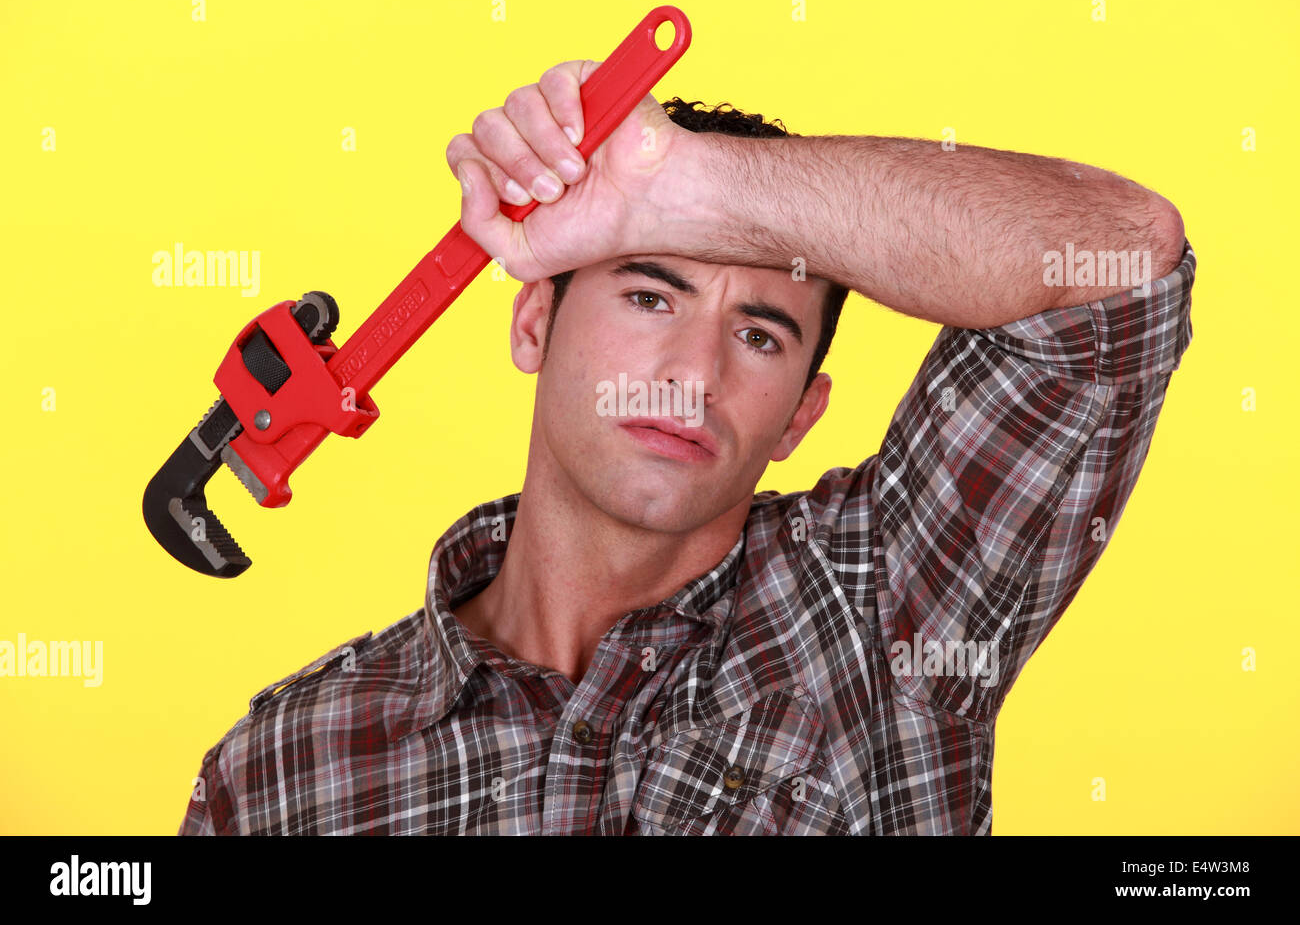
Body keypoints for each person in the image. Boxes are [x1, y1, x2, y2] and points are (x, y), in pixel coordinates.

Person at [179, 59, 1194, 835]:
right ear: (533, 323)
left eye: (759, 333)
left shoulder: (889, 596)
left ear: (801, 411)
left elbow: (1122, 257)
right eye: (648, 293)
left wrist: (683, 180)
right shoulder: (287, 765)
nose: (692, 372)